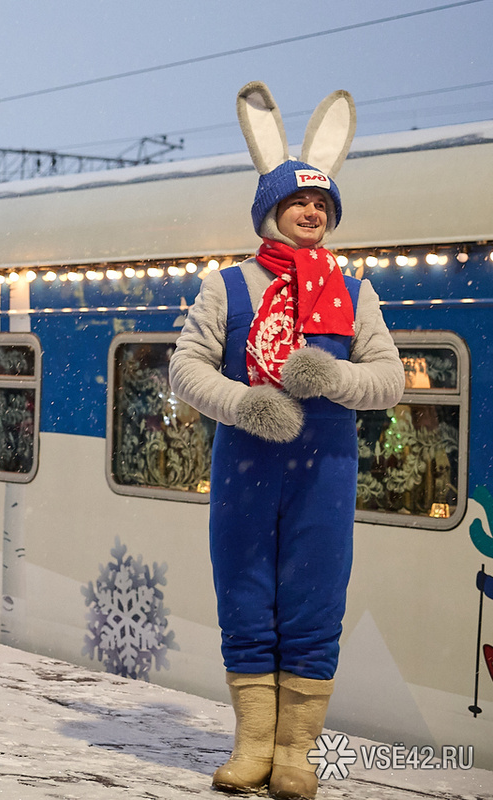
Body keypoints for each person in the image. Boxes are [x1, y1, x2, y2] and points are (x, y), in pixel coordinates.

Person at [169, 82, 404, 799]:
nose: (313, 212)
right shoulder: (227, 288)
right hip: (246, 458)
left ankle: (296, 755)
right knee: (245, 596)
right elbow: (184, 368)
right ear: (270, 208)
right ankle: (251, 748)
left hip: (324, 469)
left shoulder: (355, 292)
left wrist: (332, 376)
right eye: (301, 201)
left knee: (312, 601)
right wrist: (246, 405)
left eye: (323, 205)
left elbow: (390, 380)